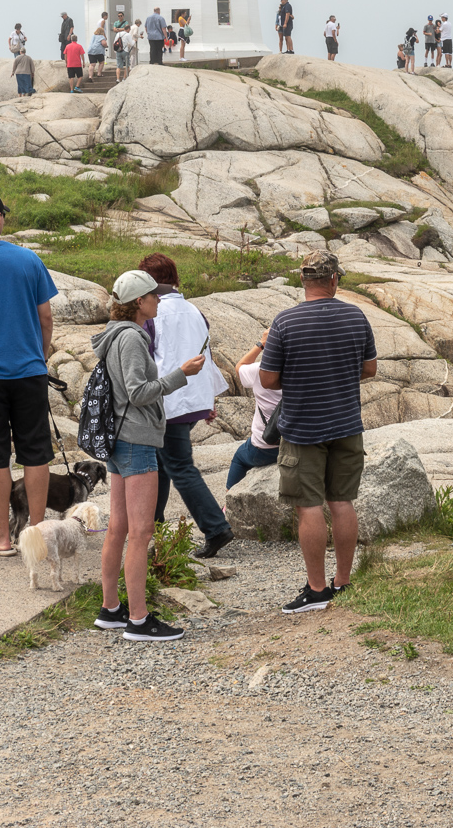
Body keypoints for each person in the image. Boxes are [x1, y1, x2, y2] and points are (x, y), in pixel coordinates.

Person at [259, 250, 377, 612]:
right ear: (333, 280)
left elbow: (267, 378)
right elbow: (370, 369)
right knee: (342, 502)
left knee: (308, 506)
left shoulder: (284, 323)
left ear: (304, 280)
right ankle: (343, 582)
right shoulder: (356, 316)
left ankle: (316, 589)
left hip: (302, 428)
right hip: (346, 424)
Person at [92, 268, 206, 641]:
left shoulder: (114, 335)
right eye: (154, 296)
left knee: (118, 527)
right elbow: (138, 392)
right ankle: (139, 620)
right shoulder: (133, 338)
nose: (160, 299)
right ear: (139, 302)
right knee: (140, 532)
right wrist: (180, 374)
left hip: (118, 438)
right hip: (136, 440)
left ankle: (111, 610)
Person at [142, 254, 234, 559]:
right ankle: (152, 526)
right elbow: (204, 355)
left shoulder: (152, 313)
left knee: (178, 465)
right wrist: (208, 399)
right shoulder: (195, 311)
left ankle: (215, 527)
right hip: (192, 399)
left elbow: (147, 360)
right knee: (161, 464)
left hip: (168, 401)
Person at [0, 192, 58, 556]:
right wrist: (40, 355)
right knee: (35, 453)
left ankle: (1, 537)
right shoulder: (28, 259)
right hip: (28, 371)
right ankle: (36, 533)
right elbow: (46, 317)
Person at [226, 329, 281, 489]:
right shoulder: (305, 370)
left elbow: (239, 367)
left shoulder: (259, 370)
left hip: (267, 446)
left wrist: (261, 344)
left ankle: (229, 503)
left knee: (239, 457)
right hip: (300, 443)